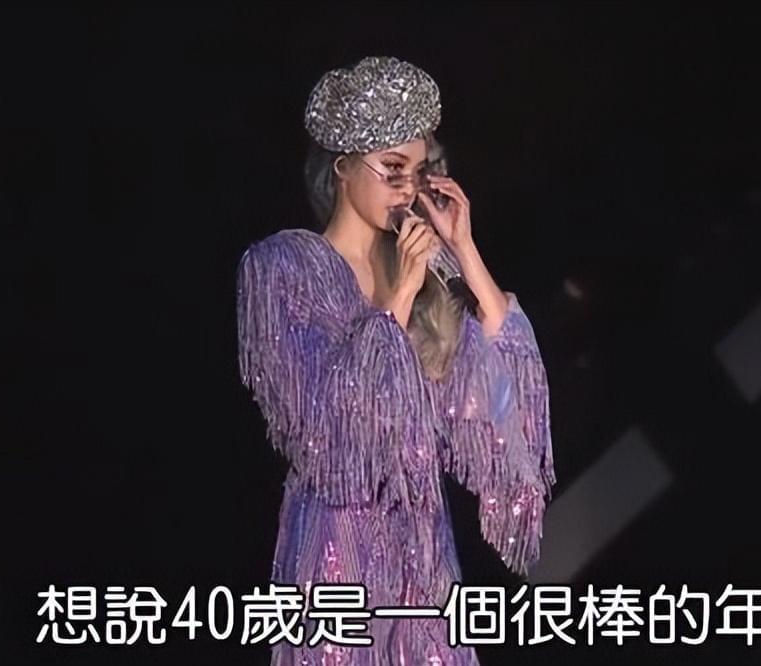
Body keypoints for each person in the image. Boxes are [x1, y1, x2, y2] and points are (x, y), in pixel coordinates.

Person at [236, 55, 556, 664]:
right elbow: (320, 427)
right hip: (338, 548)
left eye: (417, 170)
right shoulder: (283, 266)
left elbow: (499, 395)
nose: (407, 188)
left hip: (423, 552)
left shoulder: (421, 272)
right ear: (343, 166)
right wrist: (398, 296)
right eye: (391, 169)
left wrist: (463, 249)